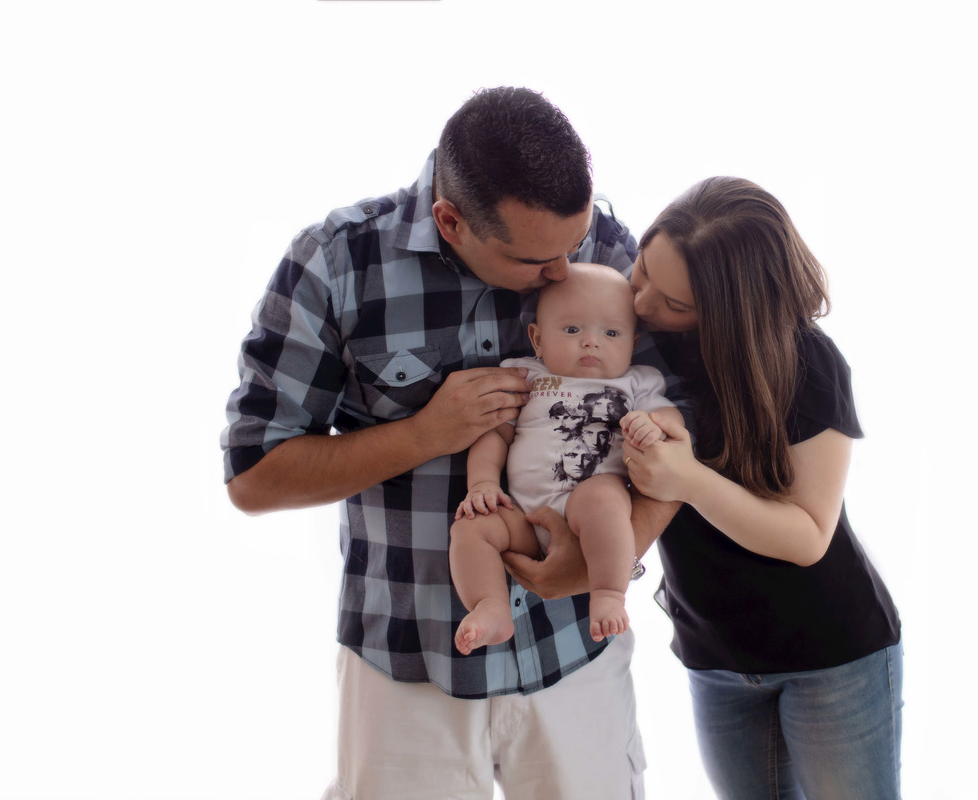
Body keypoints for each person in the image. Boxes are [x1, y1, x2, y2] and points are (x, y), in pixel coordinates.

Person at [221, 87, 676, 800]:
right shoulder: (336, 267)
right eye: (537, 261)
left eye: (574, 244)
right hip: (408, 660)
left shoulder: (609, 251)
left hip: (574, 655)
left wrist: (601, 563)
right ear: (451, 221)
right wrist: (423, 435)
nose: (566, 272)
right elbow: (254, 476)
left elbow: (689, 440)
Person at [513, 176, 904, 799]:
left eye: (672, 302)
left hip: (832, 657)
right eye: (641, 269)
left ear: (730, 310)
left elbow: (808, 536)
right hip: (715, 656)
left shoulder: (808, 365)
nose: (639, 306)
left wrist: (689, 480)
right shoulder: (644, 343)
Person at [450, 263, 680, 653]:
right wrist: (482, 484)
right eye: (572, 330)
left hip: (586, 509)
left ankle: (608, 592)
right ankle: (490, 606)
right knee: (471, 528)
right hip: (522, 516)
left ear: (633, 341)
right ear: (537, 340)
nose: (591, 343)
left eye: (611, 333)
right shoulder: (526, 377)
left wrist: (654, 423)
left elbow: (673, 421)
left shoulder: (637, 382)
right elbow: (494, 435)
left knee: (604, 498)